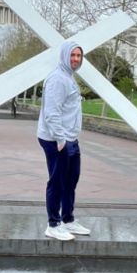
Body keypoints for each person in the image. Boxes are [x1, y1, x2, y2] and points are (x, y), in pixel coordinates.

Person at [37, 40, 90, 241]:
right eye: (72, 55)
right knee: (57, 181)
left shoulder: (68, 77)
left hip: (69, 138)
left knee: (70, 180)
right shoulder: (58, 79)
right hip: (56, 139)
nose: (76, 59)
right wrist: (60, 139)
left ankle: (68, 219)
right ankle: (53, 224)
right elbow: (51, 112)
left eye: (79, 56)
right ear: (65, 56)